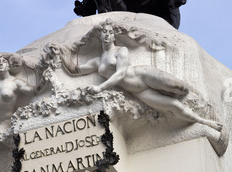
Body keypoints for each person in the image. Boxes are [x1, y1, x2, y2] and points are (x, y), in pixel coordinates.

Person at [59, 20, 222, 132]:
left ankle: (198, 98)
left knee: (179, 87)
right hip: (139, 92)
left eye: (110, 32)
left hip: (143, 75)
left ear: (114, 36)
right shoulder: (96, 62)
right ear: (100, 36)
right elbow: (76, 70)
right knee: (173, 106)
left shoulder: (120, 51)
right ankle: (206, 122)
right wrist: (61, 55)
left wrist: (100, 87)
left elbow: (121, 73)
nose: (107, 35)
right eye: (104, 33)